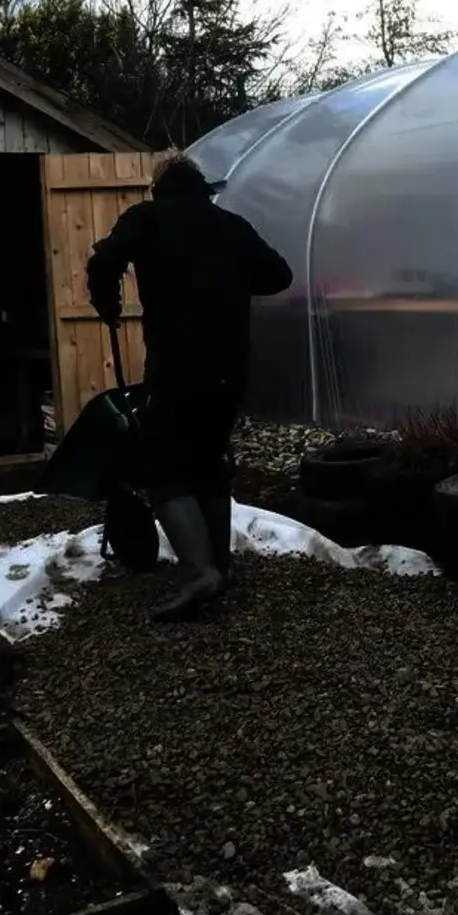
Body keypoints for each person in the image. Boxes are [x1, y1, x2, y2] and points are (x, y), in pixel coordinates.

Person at [87, 154, 294, 621]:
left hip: (176, 364)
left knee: (159, 464)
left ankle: (200, 572)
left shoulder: (145, 219)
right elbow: (278, 275)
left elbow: (104, 261)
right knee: (209, 457)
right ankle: (219, 565)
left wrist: (107, 304)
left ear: (159, 186)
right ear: (202, 185)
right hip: (230, 366)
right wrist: (226, 281)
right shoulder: (231, 225)